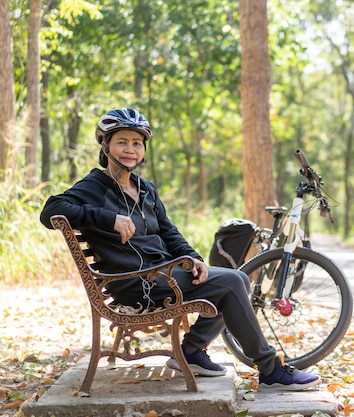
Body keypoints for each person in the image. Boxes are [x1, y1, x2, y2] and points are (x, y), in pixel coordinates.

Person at [40, 107, 320, 392]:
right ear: (105, 145)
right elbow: (50, 210)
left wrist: (193, 258)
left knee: (236, 279)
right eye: (121, 141)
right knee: (233, 282)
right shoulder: (95, 186)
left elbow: (168, 231)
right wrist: (107, 218)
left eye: (136, 143)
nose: (130, 150)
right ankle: (269, 369)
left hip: (164, 274)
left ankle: (192, 351)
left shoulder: (145, 188)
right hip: (136, 282)